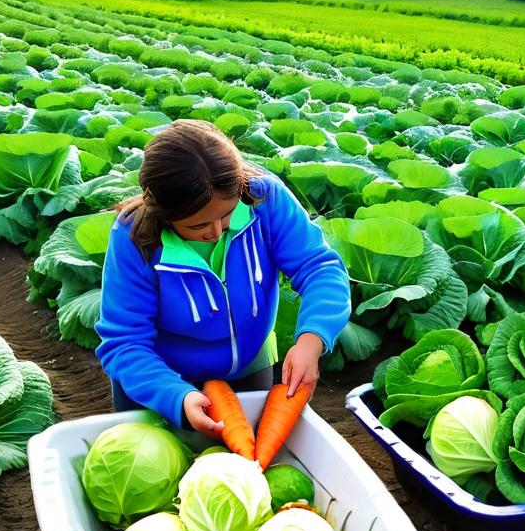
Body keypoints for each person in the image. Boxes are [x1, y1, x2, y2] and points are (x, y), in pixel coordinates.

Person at [96, 119, 351, 439]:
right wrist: (178, 397)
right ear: (163, 213)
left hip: (246, 368)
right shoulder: (134, 238)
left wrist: (311, 341)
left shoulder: (266, 200)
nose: (216, 232)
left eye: (226, 215)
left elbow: (320, 268)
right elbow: (125, 342)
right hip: (157, 382)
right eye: (197, 226)